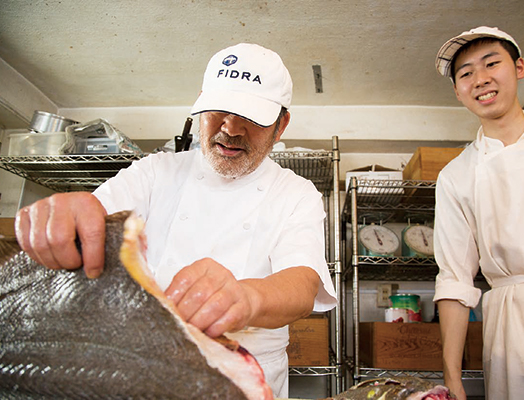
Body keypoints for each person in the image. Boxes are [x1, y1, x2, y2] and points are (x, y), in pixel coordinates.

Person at [15, 43, 337, 398]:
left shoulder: (295, 193)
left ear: (281, 125)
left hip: (246, 380)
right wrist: (69, 214)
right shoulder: (156, 172)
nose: (230, 129)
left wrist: (247, 298)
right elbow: (91, 218)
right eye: (218, 111)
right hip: (149, 372)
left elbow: (304, 285)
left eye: (251, 117)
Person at [433, 26, 524, 400]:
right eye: (466, 73)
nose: (481, 79)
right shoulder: (456, 175)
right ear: (458, 91)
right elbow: (455, 280)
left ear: (518, 67)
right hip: (511, 326)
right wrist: (451, 375)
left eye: (492, 64)